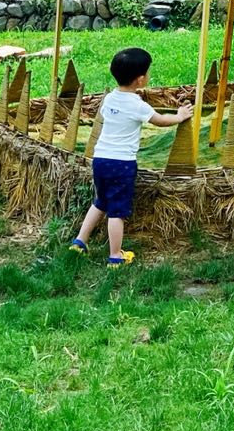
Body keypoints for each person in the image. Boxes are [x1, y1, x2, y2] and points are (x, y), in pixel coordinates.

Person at [69, 47, 192, 267]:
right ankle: (116, 255)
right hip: (121, 163)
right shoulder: (137, 105)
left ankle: (80, 241)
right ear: (141, 79)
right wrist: (179, 116)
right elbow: (159, 120)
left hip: (101, 159)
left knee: (101, 201)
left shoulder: (109, 99)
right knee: (117, 211)